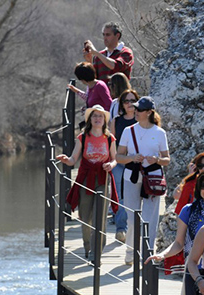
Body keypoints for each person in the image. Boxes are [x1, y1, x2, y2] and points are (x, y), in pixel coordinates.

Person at [56, 105, 118, 260]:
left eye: (100, 116)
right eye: (94, 116)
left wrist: (111, 164)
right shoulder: (83, 137)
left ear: (104, 120)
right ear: (90, 119)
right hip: (85, 179)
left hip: (103, 178)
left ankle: (96, 252)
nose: (97, 119)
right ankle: (88, 247)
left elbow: (115, 158)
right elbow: (73, 159)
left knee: (100, 217)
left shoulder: (110, 138)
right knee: (85, 217)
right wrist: (66, 160)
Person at [116, 96, 170, 265]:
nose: (135, 112)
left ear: (148, 112)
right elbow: (118, 157)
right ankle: (131, 252)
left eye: (139, 110)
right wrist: (132, 157)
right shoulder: (128, 130)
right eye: (135, 109)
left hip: (153, 178)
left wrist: (157, 160)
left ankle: (148, 254)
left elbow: (167, 159)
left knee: (150, 218)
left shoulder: (160, 132)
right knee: (132, 218)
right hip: (131, 176)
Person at [110, 89, 139, 244]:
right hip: (120, 162)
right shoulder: (116, 121)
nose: (130, 104)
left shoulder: (142, 121)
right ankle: (121, 229)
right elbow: (112, 143)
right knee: (121, 197)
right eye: (126, 101)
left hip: (137, 164)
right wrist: (112, 161)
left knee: (136, 197)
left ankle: (136, 230)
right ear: (122, 104)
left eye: (133, 101)